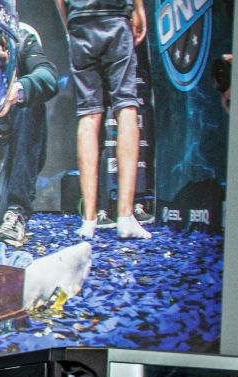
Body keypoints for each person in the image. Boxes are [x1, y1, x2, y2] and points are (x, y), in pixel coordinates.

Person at [55, 0, 149, 240]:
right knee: (126, 105)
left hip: (79, 17)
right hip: (114, 13)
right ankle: (125, 217)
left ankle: (88, 220)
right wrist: (138, 9)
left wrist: (70, 21)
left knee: (89, 113)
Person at [0, 20, 61, 247]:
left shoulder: (22, 34)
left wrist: (17, 91)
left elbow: (48, 76)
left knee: (29, 104)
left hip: (19, 138)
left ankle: (16, 211)